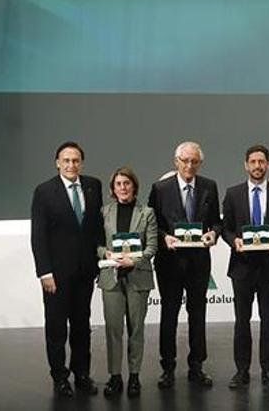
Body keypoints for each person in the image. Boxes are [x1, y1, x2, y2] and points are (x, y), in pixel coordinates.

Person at [30, 141, 105, 398]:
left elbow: (96, 228)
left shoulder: (94, 186)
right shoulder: (44, 191)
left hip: (86, 272)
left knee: (82, 326)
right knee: (56, 328)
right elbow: (38, 236)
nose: (71, 165)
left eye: (75, 161)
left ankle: (82, 373)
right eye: (66, 160)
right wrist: (44, 272)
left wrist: (101, 261)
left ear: (81, 163)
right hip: (56, 277)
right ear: (57, 163)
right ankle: (60, 376)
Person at [146, 141, 221, 389]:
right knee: (169, 315)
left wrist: (214, 235)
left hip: (199, 262)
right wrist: (164, 237)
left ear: (200, 163)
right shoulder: (160, 188)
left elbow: (215, 222)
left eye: (194, 161)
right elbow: (152, 223)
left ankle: (196, 366)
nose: (189, 165)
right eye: (185, 160)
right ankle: (167, 367)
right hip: (170, 262)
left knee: (198, 315)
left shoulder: (209, 186)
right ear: (175, 161)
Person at [221, 144, 269, 390]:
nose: (258, 166)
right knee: (242, 320)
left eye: (262, 161)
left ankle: (268, 371)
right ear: (246, 165)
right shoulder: (233, 194)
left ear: (268, 164)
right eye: (253, 161)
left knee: (268, 320)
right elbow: (226, 229)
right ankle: (241, 371)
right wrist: (234, 241)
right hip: (242, 267)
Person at [97, 167, 158, 398]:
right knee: (113, 330)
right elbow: (98, 245)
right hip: (111, 278)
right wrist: (107, 255)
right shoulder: (104, 212)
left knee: (136, 330)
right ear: (113, 188)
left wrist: (134, 260)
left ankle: (134, 376)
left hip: (138, 277)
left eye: (127, 183)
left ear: (134, 186)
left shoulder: (147, 213)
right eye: (119, 184)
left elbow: (152, 246)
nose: (123, 187)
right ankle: (115, 377)